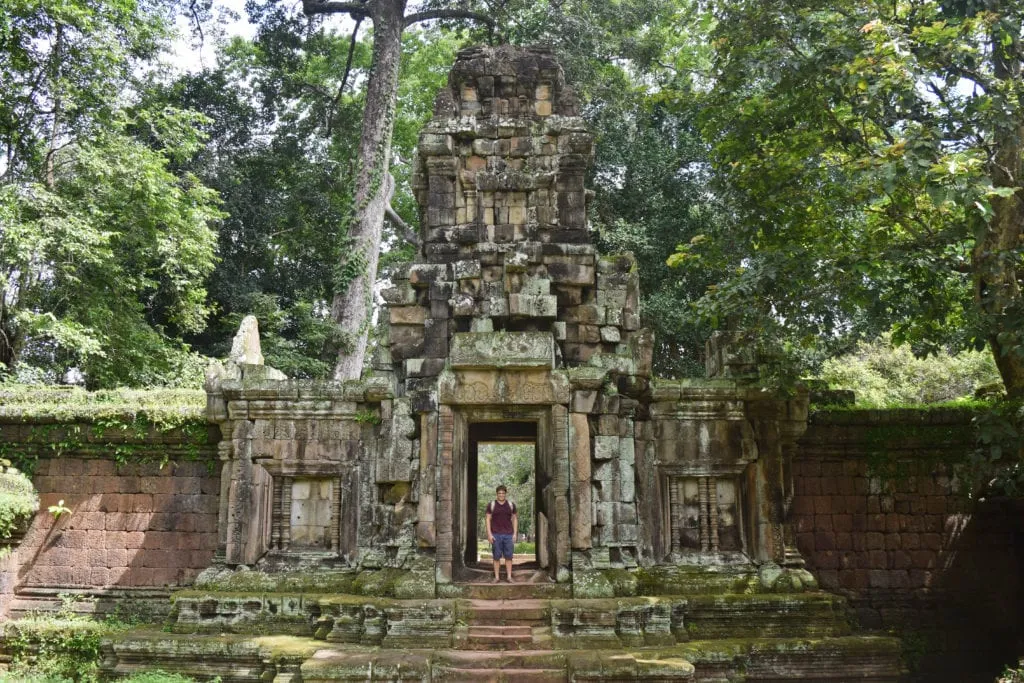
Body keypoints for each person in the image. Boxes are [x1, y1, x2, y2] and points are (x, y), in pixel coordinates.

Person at [485, 485, 517, 583]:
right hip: (496, 534)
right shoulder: (492, 505)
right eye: (499, 493)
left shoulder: (511, 505)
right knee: (496, 557)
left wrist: (515, 534)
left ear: (505, 494)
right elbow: (487, 519)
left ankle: (509, 577)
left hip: (508, 535)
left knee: (509, 557)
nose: (501, 495)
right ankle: (497, 577)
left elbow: (515, 519)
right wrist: (489, 534)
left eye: (503, 493)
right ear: (497, 494)